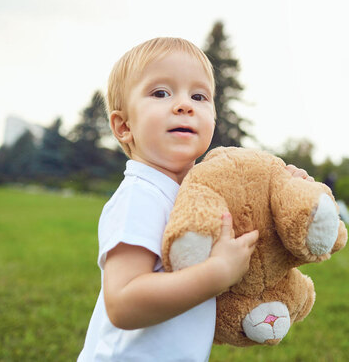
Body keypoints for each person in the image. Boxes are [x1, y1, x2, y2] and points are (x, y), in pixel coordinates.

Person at [78, 37, 313, 361]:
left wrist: (284, 192)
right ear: (124, 126)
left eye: (199, 96)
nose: (184, 104)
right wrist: (216, 273)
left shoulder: (202, 197)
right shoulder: (140, 196)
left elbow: (253, 231)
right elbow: (122, 304)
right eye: (161, 93)